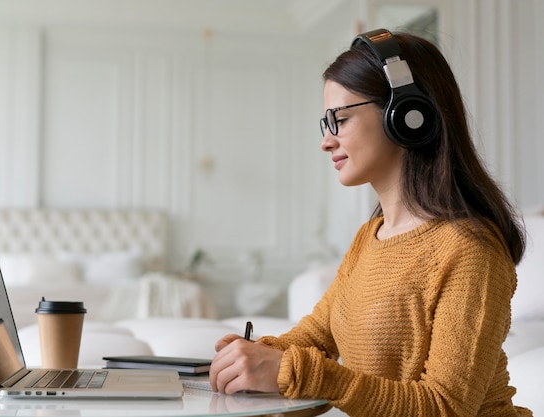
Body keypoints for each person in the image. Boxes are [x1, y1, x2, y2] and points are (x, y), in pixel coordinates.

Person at [208, 28, 533, 416]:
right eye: (324, 123)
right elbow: (316, 336)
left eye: (340, 119)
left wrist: (297, 372)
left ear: (408, 116)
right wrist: (258, 355)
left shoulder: (469, 249)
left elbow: (445, 407)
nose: (326, 141)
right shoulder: (370, 236)